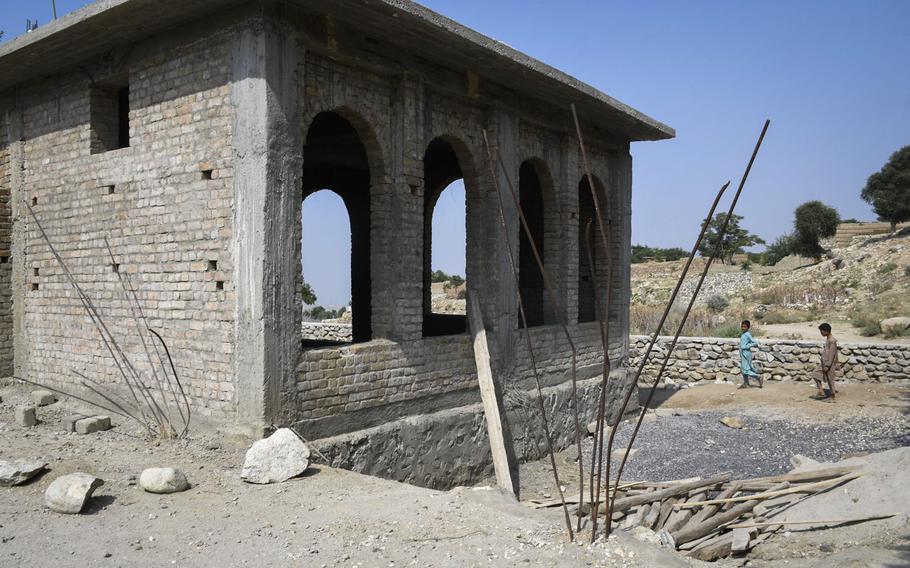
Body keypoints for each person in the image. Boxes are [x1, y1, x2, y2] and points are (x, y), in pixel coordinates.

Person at [814, 323, 839, 401]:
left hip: (828, 364)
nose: (821, 333)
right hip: (824, 363)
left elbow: (832, 354)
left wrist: (828, 365)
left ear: (826, 331)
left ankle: (832, 396)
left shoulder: (832, 341)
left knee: (830, 379)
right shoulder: (828, 339)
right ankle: (821, 390)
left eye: (822, 331)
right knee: (815, 374)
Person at [739, 320, 762, 388]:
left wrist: (748, 346)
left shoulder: (747, 334)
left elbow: (754, 342)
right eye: (742, 326)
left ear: (748, 327)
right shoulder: (744, 334)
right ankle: (746, 383)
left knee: (745, 370)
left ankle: (758, 377)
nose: (743, 328)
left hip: (746, 353)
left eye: (745, 327)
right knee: (743, 369)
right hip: (743, 353)